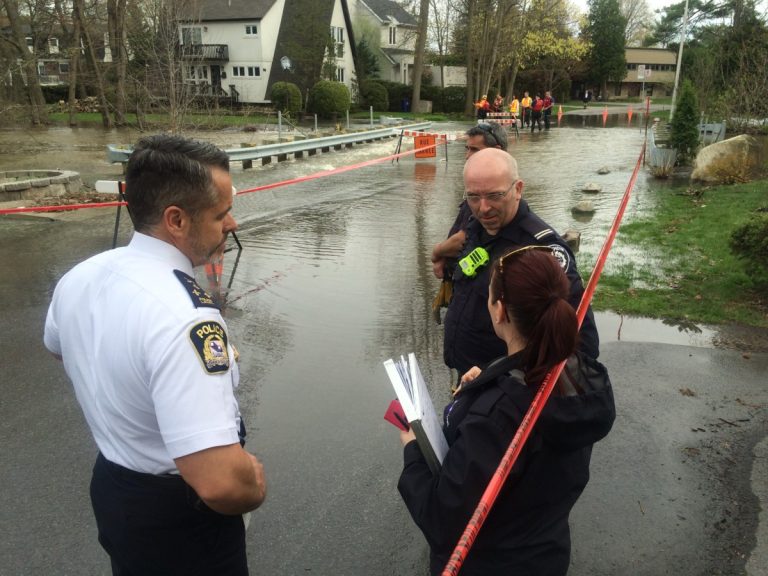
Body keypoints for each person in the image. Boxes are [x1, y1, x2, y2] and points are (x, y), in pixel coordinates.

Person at [43, 134, 267, 576]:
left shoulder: (82, 276)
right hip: (181, 521)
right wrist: (253, 480)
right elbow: (220, 482)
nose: (233, 224)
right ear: (176, 219)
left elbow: (59, 347)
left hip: (115, 489)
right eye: (221, 214)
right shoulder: (185, 317)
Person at [397, 246, 615, 576]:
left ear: (499, 311)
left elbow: (442, 521)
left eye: (489, 295)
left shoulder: (496, 420)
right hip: (545, 555)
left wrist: (412, 447)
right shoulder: (578, 375)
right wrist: (489, 378)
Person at [441, 148, 600, 379]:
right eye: (473, 197)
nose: (483, 208)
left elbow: (581, 344)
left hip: (506, 393)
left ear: (518, 189)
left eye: (495, 196)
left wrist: (511, 382)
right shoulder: (477, 229)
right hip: (469, 380)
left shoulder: (541, 251)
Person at [430, 122, 509, 281]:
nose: (467, 156)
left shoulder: (497, 195)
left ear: (497, 151)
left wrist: (436, 253)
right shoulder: (484, 185)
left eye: (474, 150)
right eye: (467, 148)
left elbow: (462, 240)